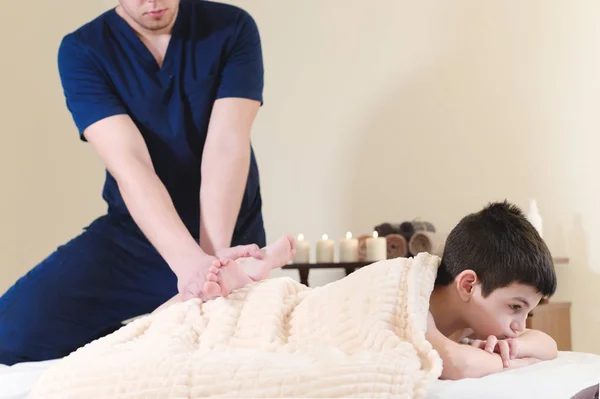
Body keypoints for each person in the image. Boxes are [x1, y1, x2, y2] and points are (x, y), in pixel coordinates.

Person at [0, 0, 268, 365]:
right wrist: (190, 265)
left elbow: (226, 144)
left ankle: (166, 326)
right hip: (134, 237)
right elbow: (130, 163)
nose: (153, 3)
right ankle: (134, 343)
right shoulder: (84, 48)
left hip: (225, 235)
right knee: (9, 333)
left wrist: (211, 268)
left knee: (230, 347)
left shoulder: (231, 26)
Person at [153, 200, 558, 380]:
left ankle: (244, 281)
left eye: (527, 312)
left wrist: (514, 346)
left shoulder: (484, 320)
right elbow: (456, 365)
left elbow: (548, 346)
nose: (519, 324)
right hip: (302, 311)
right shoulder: (412, 295)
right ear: (469, 284)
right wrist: (508, 362)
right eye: (516, 307)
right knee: (184, 318)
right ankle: (241, 282)